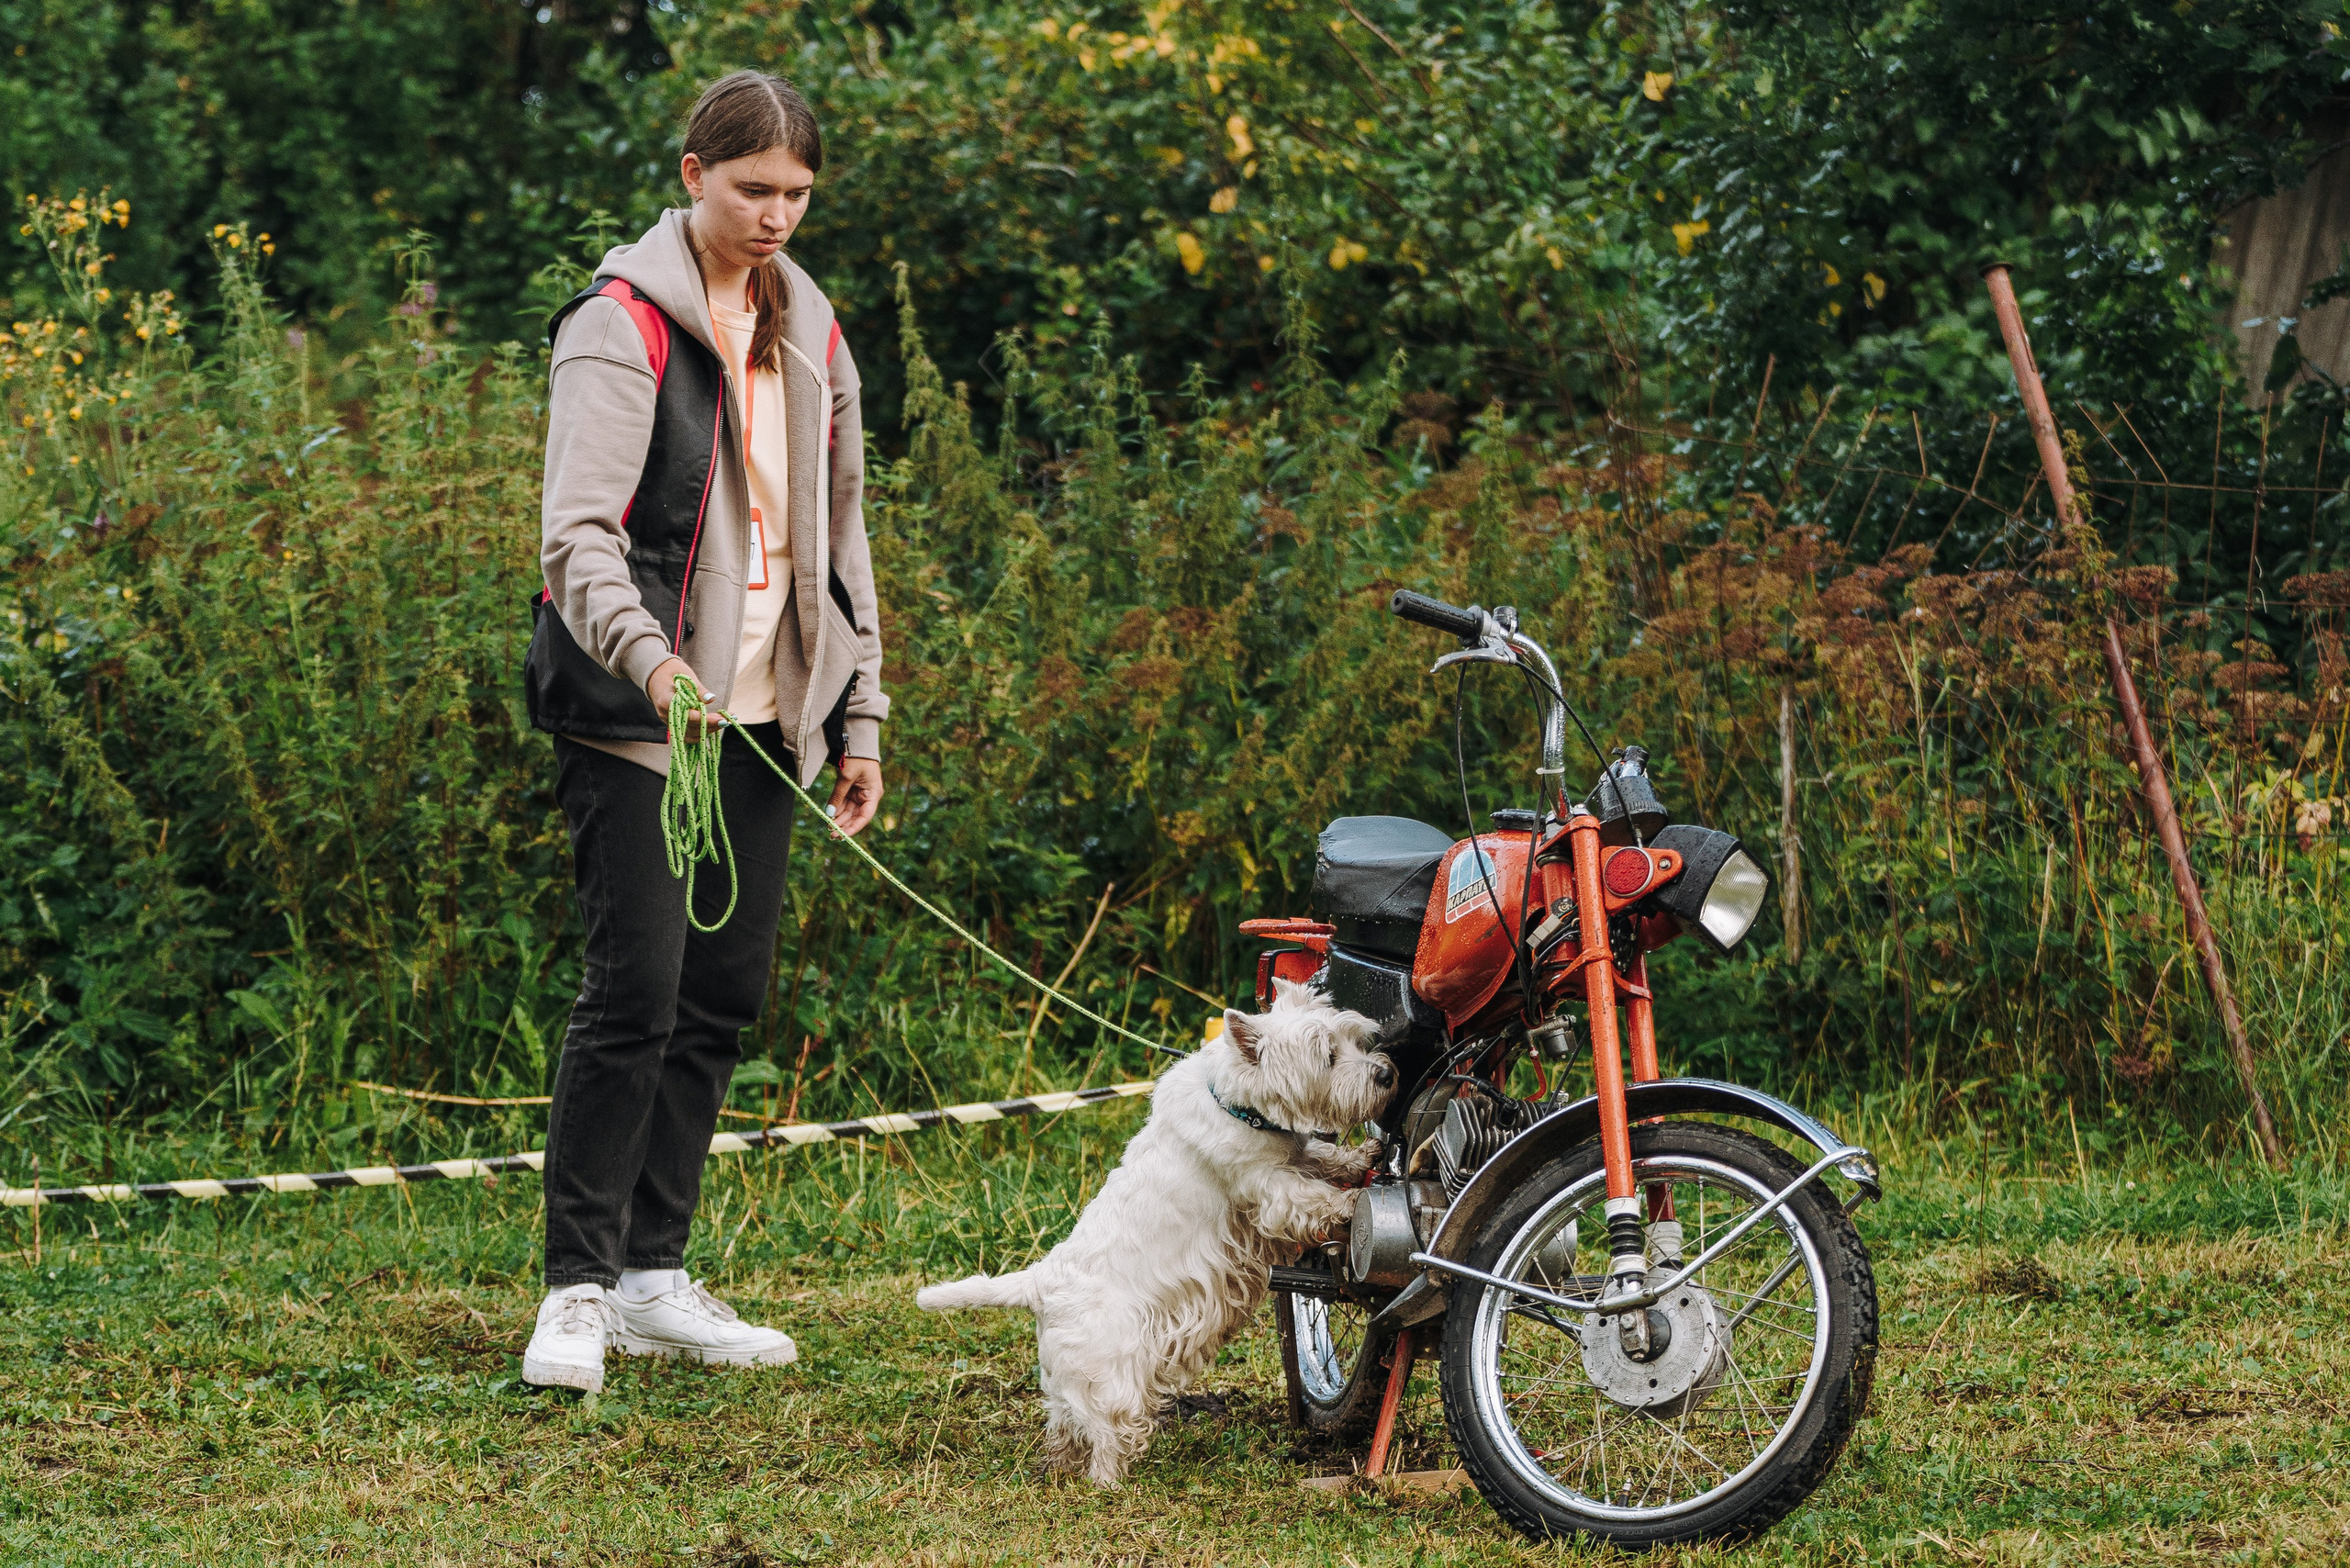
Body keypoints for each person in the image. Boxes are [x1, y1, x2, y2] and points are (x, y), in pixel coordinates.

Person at [518, 71, 887, 1394]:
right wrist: (655, 665)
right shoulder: (617, 326)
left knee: (721, 998)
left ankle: (653, 1278)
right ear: (692, 176)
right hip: (642, 716)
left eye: (798, 193)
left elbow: (843, 537)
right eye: (752, 189)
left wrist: (858, 712)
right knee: (636, 994)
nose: (776, 215)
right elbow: (576, 541)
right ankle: (575, 1290)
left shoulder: (814, 331)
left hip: (768, 719)